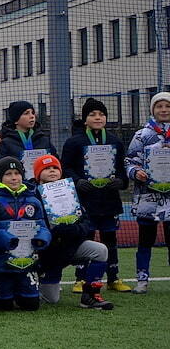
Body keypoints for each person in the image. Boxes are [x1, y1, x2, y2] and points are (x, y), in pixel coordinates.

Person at [60, 98, 129, 292]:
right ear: (85, 119)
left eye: (101, 114)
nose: (97, 118)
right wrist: (77, 181)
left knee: (110, 240)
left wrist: (121, 182)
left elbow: (122, 170)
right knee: (85, 240)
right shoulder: (74, 142)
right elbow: (65, 168)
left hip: (109, 201)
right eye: (92, 114)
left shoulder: (115, 141)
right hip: (85, 201)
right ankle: (81, 279)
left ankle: (113, 278)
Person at [30, 154, 114, 310]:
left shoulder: (71, 192)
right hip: (47, 255)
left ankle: (90, 296)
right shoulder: (31, 196)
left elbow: (86, 221)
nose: (52, 171)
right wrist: (55, 231)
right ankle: (31, 284)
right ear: (37, 174)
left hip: (71, 247)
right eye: (46, 168)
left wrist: (73, 229)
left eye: (55, 167)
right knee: (51, 299)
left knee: (100, 250)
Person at [0, 157, 52, 311]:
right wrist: (7, 239)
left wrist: (41, 239)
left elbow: (43, 225)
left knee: (31, 305)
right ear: (0, 177)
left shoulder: (33, 200)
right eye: (8, 174)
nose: (13, 177)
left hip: (27, 262)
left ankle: (19, 293)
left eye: (17, 173)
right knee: (2, 306)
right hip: (2, 262)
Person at [125, 91, 170, 293]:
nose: (164, 110)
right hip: (147, 196)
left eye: (167, 106)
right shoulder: (141, 135)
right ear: (153, 109)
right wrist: (136, 172)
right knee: (145, 239)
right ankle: (142, 279)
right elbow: (129, 161)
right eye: (159, 106)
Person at [0, 100, 56, 167]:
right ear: (16, 120)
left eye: (32, 113)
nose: (32, 116)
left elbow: (55, 162)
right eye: (26, 113)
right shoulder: (6, 143)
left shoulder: (44, 140)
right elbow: (1, 166)